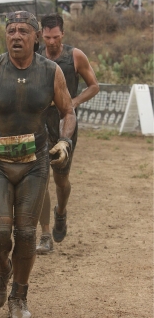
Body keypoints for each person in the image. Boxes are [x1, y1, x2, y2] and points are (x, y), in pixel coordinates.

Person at [0, 11, 76, 318]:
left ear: (36, 36)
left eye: (23, 31)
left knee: (26, 235)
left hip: (34, 164)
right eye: (11, 30)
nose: (16, 36)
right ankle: (3, 267)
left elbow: (68, 110)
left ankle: (19, 296)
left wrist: (64, 141)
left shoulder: (51, 72)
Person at [36, 13, 99, 255]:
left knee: (61, 180)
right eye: (47, 37)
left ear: (62, 34)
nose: (51, 42)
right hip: (39, 125)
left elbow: (94, 86)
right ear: (42, 34)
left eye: (55, 37)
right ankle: (44, 235)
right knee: (40, 180)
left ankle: (60, 212)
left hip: (65, 125)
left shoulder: (75, 56)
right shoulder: (36, 55)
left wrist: (73, 102)